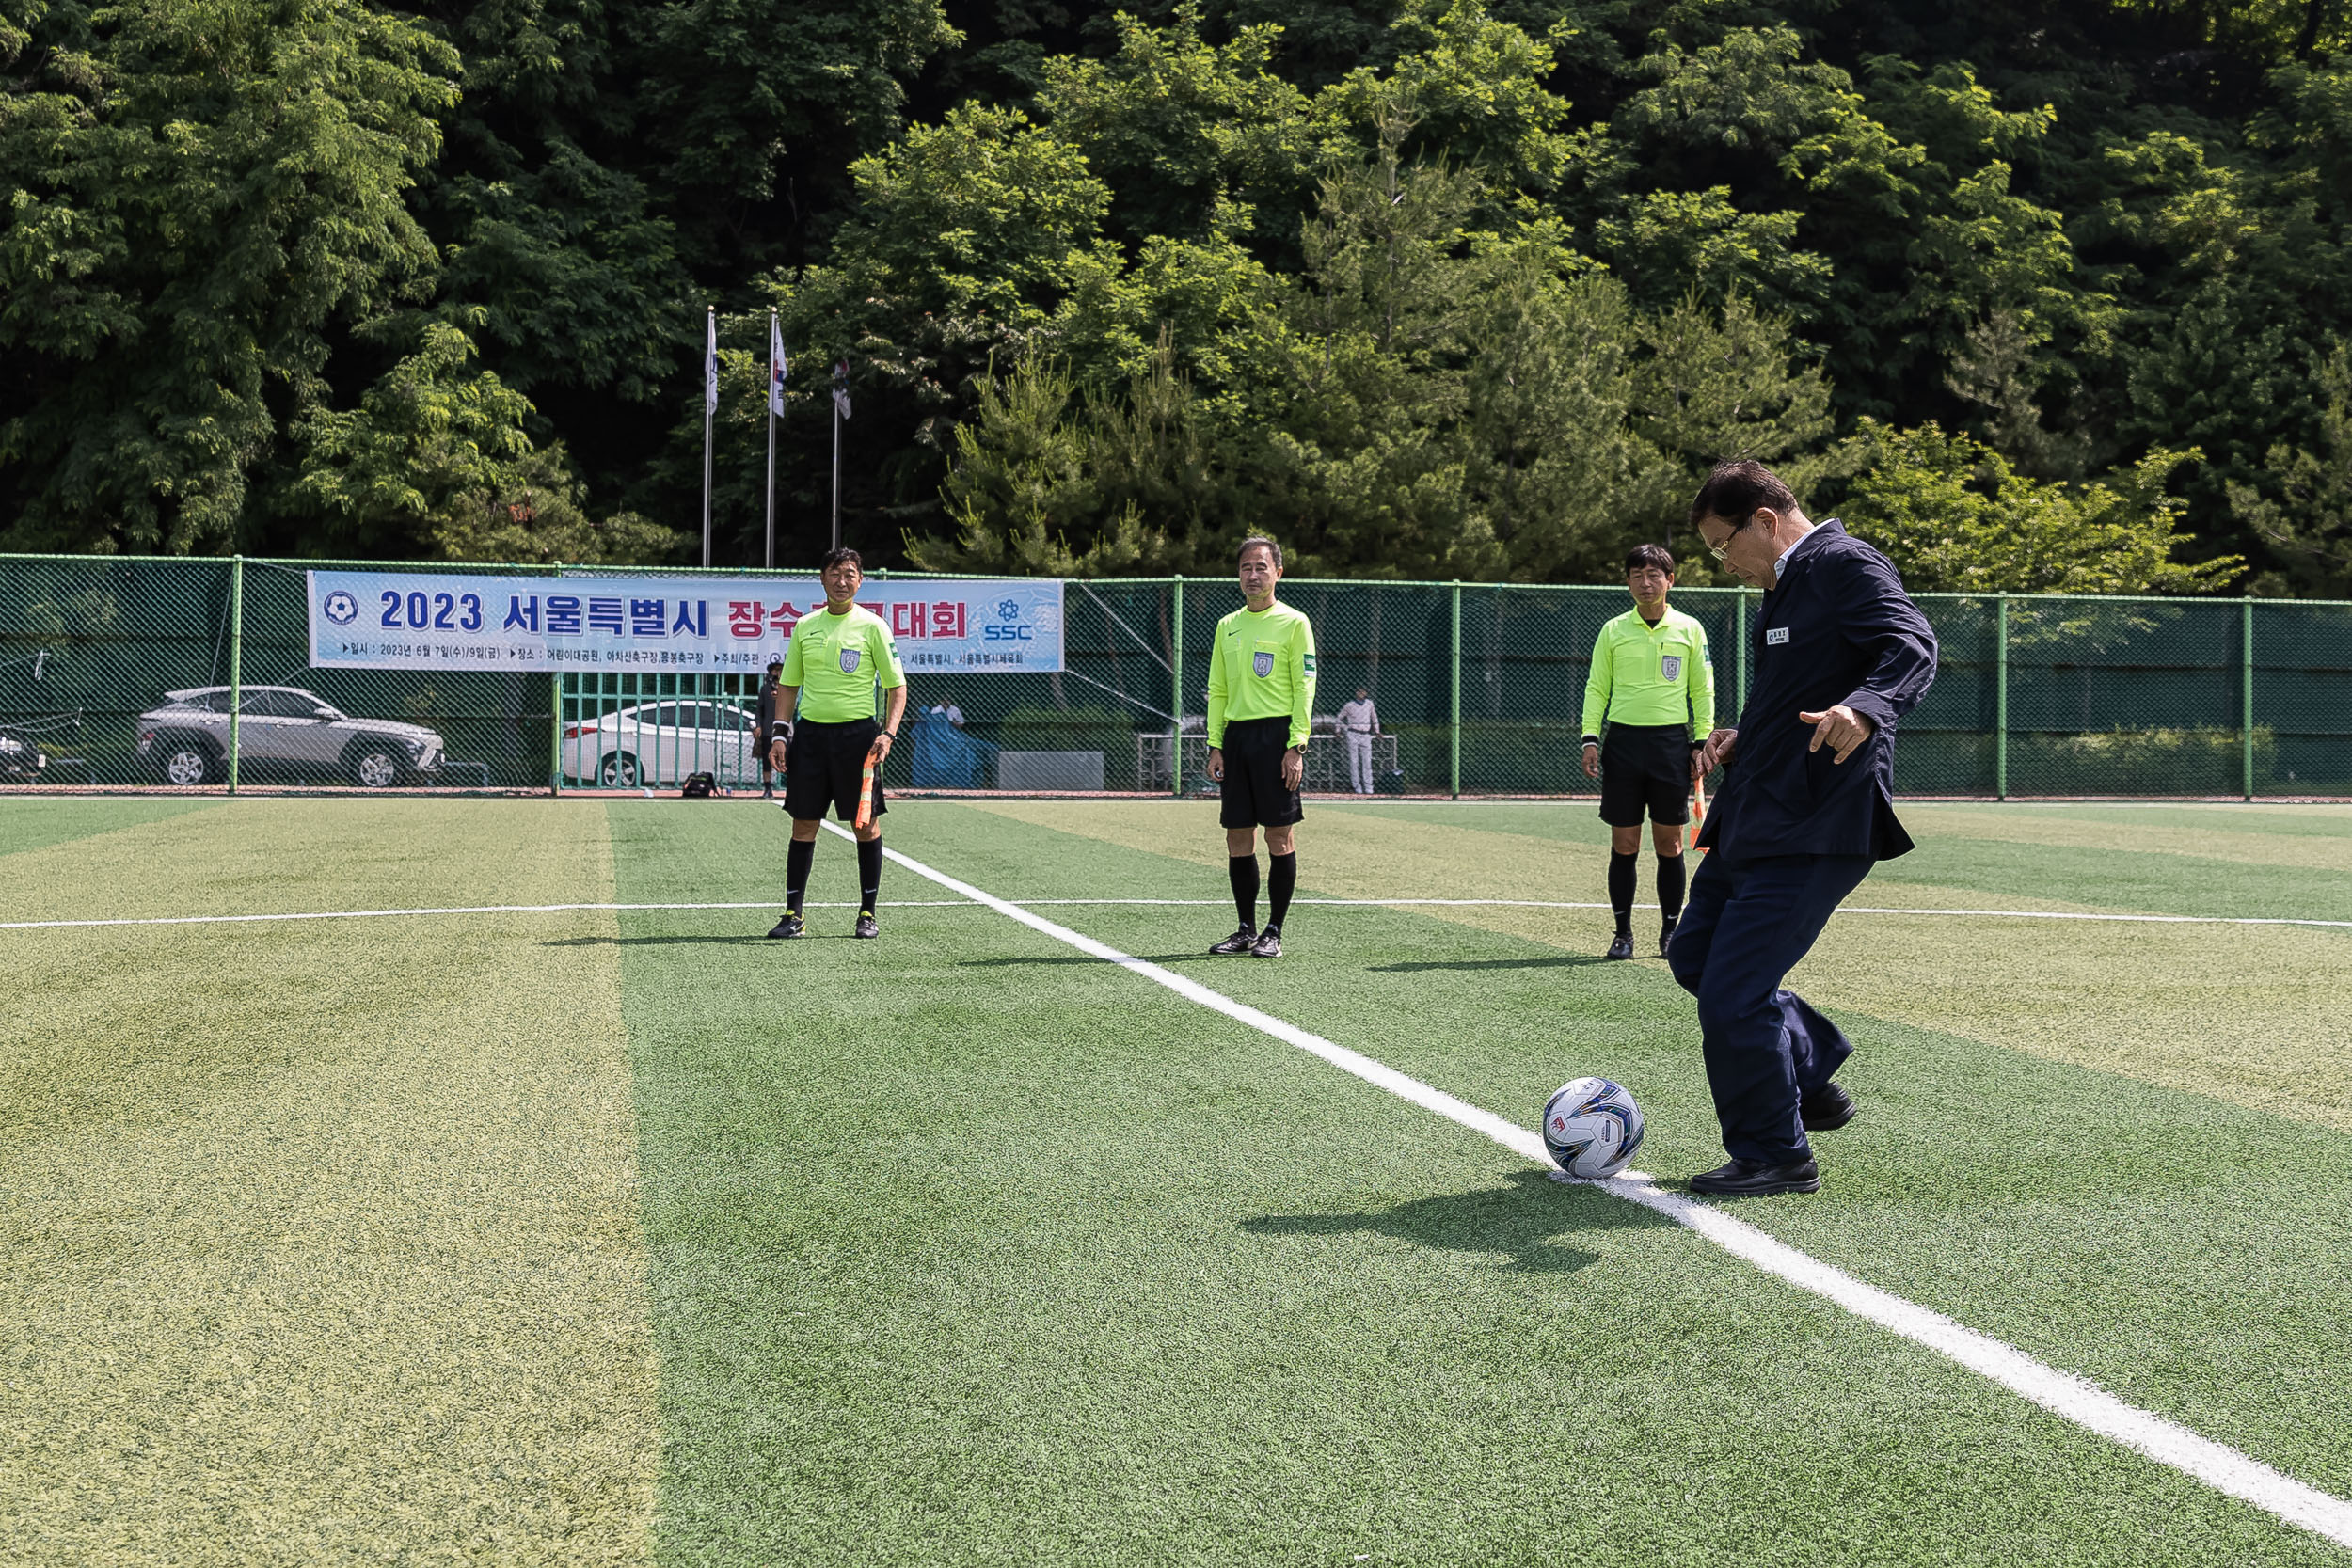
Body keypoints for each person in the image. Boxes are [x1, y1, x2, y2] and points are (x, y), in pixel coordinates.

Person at [1671, 460, 1937, 1197]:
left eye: (1724, 546)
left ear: (1764, 519)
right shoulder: (1783, 586)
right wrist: (1738, 738)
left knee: (1734, 991)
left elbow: (1913, 644)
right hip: (1756, 814)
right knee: (1694, 955)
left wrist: (1867, 707)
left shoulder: (1844, 563)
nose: (1725, 565)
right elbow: (1789, 698)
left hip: (1815, 823)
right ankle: (1808, 1070)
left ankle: (1775, 1154)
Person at [1580, 544, 1715, 960]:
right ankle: (1622, 934)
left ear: (1670, 580)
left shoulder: (1690, 629)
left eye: (1654, 574)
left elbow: (1702, 688)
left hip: (1671, 746)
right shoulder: (1613, 630)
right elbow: (1597, 686)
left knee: (1670, 845)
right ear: (1628, 582)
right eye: (1637, 575)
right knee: (1624, 844)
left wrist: (1701, 742)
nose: (1645, 582)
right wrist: (1590, 737)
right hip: (1623, 745)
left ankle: (1670, 935)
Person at [766, 547, 908, 941]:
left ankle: (867, 913)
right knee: (804, 824)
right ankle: (793, 914)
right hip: (810, 737)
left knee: (865, 825)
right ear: (822, 578)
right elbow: (789, 685)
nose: (842, 581)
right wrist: (780, 734)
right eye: (834, 573)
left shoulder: (873, 626)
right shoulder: (805, 626)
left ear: (859, 581)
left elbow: (897, 687)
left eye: (849, 574)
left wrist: (887, 733)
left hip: (859, 740)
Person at [1205, 537, 1316, 958]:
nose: (1253, 575)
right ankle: (1245, 928)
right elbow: (1217, 689)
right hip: (1236, 740)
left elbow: (1306, 686)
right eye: (1246, 568)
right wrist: (1216, 744)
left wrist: (1297, 745)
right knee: (1237, 836)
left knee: (1278, 835)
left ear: (1278, 573)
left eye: (1261, 568)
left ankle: (1274, 931)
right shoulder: (1226, 626)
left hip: (1277, 740)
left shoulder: (1294, 623)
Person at [1336, 687, 1380, 795]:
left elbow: (1374, 717)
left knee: (1367, 762)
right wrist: (1338, 730)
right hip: (1353, 733)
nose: (1361, 693)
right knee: (1354, 761)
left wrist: (1377, 730)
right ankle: (1357, 787)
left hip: (1365, 734)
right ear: (1356, 693)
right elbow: (1339, 717)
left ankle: (1369, 787)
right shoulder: (1349, 705)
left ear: (1365, 693)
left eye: (1363, 691)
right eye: (1359, 691)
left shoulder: (1369, 704)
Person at [755, 657, 784, 799]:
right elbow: (759, 709)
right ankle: (768, 788)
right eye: (775, 670)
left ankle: (791, 789)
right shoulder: (765, 688)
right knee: (767, 760)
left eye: (780, 669)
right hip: (768, 729)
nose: (778, 672)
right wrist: (758, 726)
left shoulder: (787, 688)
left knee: (788, 758)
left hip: (785, 730)